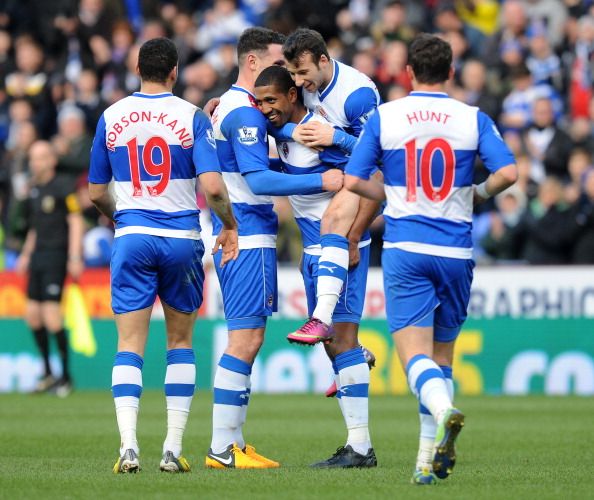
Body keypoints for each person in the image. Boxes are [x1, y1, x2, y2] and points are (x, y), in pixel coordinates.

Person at [344, 33, 518, 484]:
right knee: (442, 358)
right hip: (456, 251)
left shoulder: (387, 116)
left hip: (407, 248)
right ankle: (425, 464)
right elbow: (510, 172)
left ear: (409, 73)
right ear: (452, 72)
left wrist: (392, 194)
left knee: (414, 358)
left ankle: (445, 412)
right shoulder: (471, 118)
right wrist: (477, 193)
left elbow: (353, 179)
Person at [88, 37, 239, 474]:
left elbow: (97, 191)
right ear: (174, 71)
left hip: (133, 235)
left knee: (130, 345)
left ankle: (128, 448)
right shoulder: (190, 116)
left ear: (138, 70)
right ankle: (172, 450)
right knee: (180, 343)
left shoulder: (111, 116)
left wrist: (123, 218)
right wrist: (229, 224)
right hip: (180, 240)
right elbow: (212, 188)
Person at [206, 27, 344, 470]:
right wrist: (321, 180)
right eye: (277, 62)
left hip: (245, 231)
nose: (286, 71)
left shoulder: (236, 108)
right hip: (247, 234)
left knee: (248, 337)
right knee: (245, 339)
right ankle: (221, 449)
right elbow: (259, 181)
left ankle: (234, 443)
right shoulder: (244, 116)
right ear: (252, 63)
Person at [254, 65, 377, 468]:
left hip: (339, 253)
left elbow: (372, 170)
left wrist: (354, 234)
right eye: (260, 101)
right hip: (314, 252)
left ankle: (360, 448)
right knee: (335, 345)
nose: (265, 108)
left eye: (272, 100)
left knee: (338, 340)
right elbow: (278, 135)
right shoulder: (286, 130)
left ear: (293, 95)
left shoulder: (318, 133)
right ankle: (356, 355)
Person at [280, 28, 382, 345]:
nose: (298, 81)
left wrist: (335, 138)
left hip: (368, 180)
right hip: (336, 180)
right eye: (293, 73)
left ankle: (323, 322)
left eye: (303, 72)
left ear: (323, 60)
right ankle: (348, 346)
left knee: (333, 223)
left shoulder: (356, 96)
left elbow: (381, 154)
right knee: (336, 347)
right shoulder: (307, 86)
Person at [15, 140, 84, 397]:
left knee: (52, 314)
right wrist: (25, 254)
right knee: (32, 315)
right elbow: (34, 228)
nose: (36, 162)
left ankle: (65, 377)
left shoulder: (64, 187)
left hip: (57, 255)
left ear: (52, 160)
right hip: (38, 257)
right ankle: (46, 373)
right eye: (33, 158)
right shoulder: (34, 190)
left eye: (41, 157)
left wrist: (75, 256)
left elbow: (75, 222)